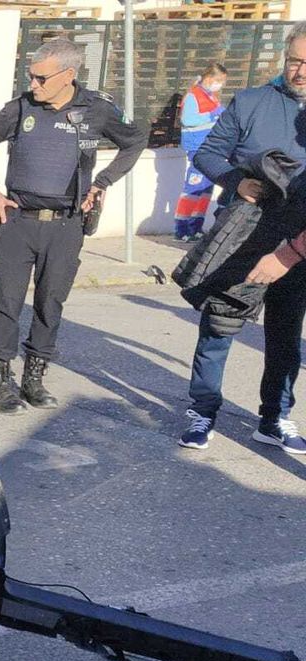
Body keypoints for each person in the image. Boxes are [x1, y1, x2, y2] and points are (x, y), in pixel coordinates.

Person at [0, 36, 148, 414]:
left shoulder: (96, 109)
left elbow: (135, 141)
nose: (33, 84)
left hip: (66, 226)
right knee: (5, 306)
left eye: (41, 78)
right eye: (31, 76)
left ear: (68, 75)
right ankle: (0, 381)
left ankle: (33, 378)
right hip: (17, 221)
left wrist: (103, 182)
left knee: (51, 304)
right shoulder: (20, 109)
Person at [178, 22, 306, 453]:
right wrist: (237, 182)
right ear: (284, 60)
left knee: (286, 336)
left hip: (298, 244)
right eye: (294, 61)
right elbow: (209, 152)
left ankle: (274, 418)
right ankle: (202, 411)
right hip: (244, 235)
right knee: (219, 326)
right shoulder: (251, 101)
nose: (300, 71)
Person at [174, 63, 227, 241]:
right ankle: (181, 229)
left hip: (210, 147)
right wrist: (213, 116)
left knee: (206, 190)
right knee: (193, 188)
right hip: (197, 147)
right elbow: (188, 120)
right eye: (218, 81)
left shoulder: (211, 96)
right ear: (209, 78)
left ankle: (196, 227)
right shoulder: (193, 96)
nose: (220, 85)